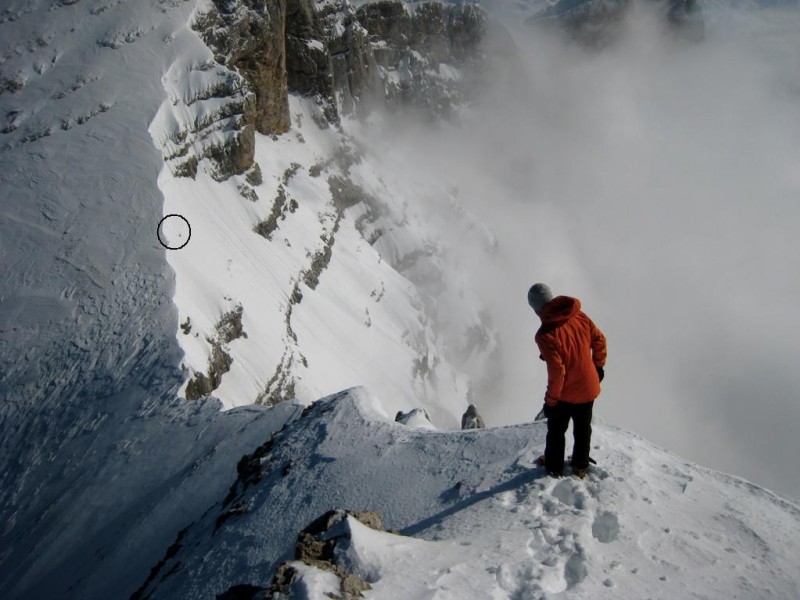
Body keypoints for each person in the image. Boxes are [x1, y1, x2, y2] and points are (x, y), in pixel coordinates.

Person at [528, 283, 607, 478]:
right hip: (588, 386)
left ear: (535, 308)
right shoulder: (577, 315)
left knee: (556, 431)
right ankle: (580, 465)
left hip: (566, 392)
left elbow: (557, 371)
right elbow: (599, 340)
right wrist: (598, 367)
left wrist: (551, 400)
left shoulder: (545, 334)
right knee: (583, 428)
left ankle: (554, 467)